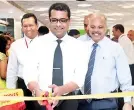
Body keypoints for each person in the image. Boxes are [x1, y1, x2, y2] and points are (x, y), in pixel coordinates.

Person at [23, 3, 88, 110]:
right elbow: (29, 73)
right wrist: (36, 91)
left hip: (69, 99)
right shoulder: (36, 44)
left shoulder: (79, 46)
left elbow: (79, 77)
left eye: (63, 20)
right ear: (49, 20)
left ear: (69, 21)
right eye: (54, 20)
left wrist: (62, 89)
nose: (58, 24)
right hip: (41, 100)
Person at [77, 13, 132, 110]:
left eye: (100, 27)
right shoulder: (82, 47)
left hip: (107, 102)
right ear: (88, 28)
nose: (96, 30)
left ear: (106, 28)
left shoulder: (115, 48)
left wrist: (127, 101)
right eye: (93, 27)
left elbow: (124, 76)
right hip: (82, 101)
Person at [6, 13, 40, 110]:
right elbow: (12, 69)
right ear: (22, 28)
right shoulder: (16, 45)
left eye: (31, 25)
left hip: (41, 85)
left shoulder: (46, 43)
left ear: (37, 26)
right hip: (23, 86)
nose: (28, 28)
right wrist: (10, 92)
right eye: (25, 26)